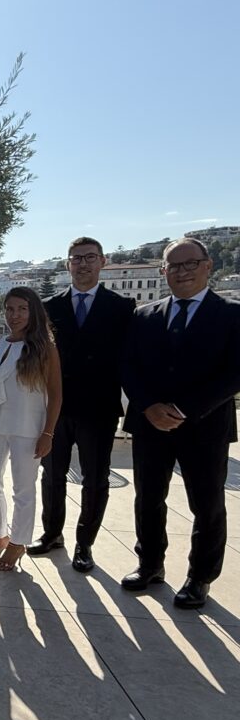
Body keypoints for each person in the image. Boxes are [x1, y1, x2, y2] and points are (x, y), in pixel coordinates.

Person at [121, 238, 240, 608]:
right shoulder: (144, 316)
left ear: (208, 265)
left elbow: (234, 373)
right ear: (164, 271)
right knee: (148, 498)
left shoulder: (232, 315)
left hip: (205, 427)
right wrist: (148, 406)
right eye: (174, 265)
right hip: (150, 424)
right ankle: (149, 564)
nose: (182, 272)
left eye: (190, 264)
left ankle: (200, 577)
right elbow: (128, 366)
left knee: (207, 504)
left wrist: (183, 409)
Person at [29, 237, 135, 572]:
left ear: (102, 261)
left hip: (99, 408)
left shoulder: (122, 307)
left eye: (90, 257)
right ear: (68, 264)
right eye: (76, 258)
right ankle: (51, 534)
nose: (83, 264)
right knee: (51, 475)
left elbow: (129, 359)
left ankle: (85, 543)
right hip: (56, 408)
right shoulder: (49, 307)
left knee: (95, 478)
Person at [0, 287, 62, 572]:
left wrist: (48, 433)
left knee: (23, 489)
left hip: (28, 427)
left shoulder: (45, 348)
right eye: (10, 309)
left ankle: (18, 542)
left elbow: (56, 394)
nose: (15, 315)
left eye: (22, 309)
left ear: (33, 311)